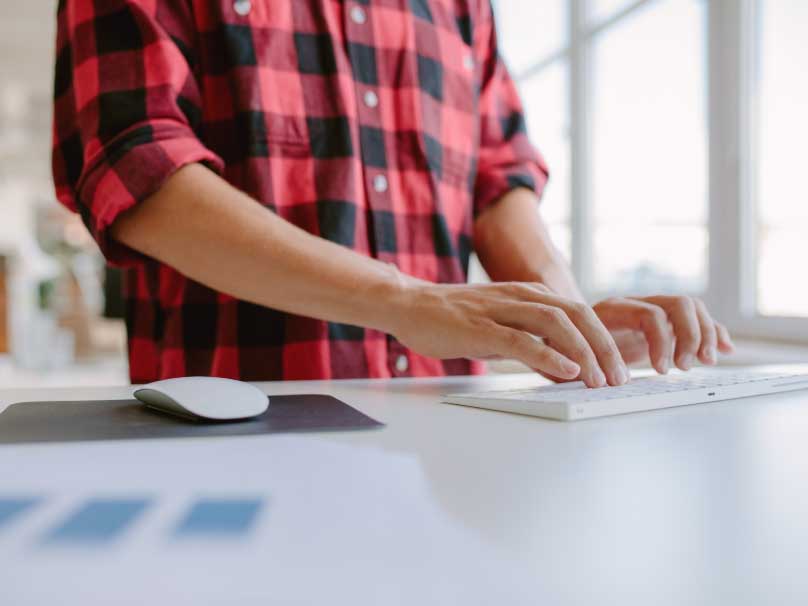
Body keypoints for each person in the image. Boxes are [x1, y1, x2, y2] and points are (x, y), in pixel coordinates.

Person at [52, 0, 733, 386]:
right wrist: (405, 302)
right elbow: (138, 171)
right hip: (238, 429)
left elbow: (498, 175)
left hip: (450, 440)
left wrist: (570, 318)